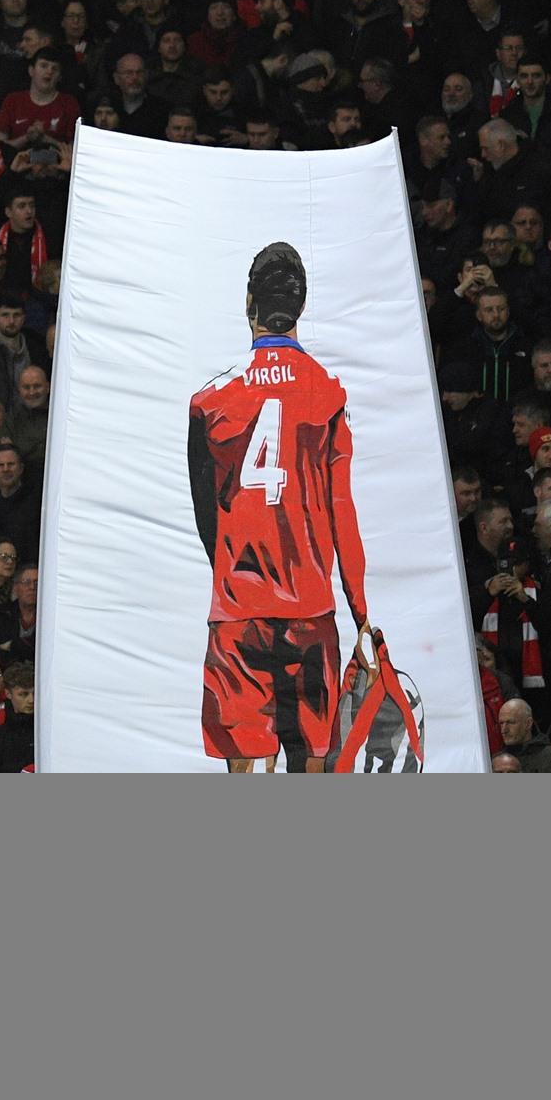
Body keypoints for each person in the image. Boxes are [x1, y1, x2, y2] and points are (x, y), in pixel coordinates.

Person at [187, 244, 372, 771]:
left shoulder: (209, 400)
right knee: (312, 763)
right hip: (309, 608)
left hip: (238, 610)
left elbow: (207, 516)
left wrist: (235, 571)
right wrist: (360, 615)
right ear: (302, 307)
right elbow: (343, 513)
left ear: (249, 302)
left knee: (243, 766)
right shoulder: (328, 394)